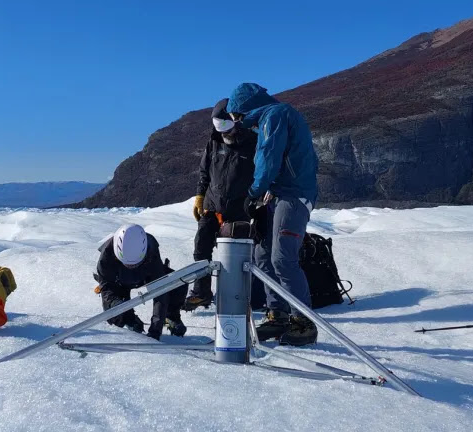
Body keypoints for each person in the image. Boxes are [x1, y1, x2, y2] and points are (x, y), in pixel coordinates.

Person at [226, 83, 319, 346]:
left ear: (242, 109)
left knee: (282, 257)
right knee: (262, 254)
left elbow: (269, 157)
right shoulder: (275, 116)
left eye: (236, 116)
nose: (237, 123)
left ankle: (303, 322)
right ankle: (277, 313)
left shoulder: (275, 115)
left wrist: (255, 190)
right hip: (280, 194)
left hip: (293, 195)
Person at [183, 98, 258, 311]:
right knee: (201, 249)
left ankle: (240, 295)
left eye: (228, 132)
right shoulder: (214, 141)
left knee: (237, 256)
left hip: (239, 209)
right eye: (222, 132)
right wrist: (199, 196)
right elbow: (204, 172)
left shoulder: (252, 143)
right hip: (213, 206)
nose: (226, 137)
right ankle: (201, 292)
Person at [94, 224, 188, 340]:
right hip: (118, 282)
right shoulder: (106, 257)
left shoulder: (151, 250)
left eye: (135, 264)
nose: (131, 267)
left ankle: (168, 318)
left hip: (145, 274)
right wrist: (121, 308)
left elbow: (161, 291)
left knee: (177, 284)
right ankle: (129, 320)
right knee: (116, 313)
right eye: (127, 264)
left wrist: (155, 331)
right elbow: (107, 290)